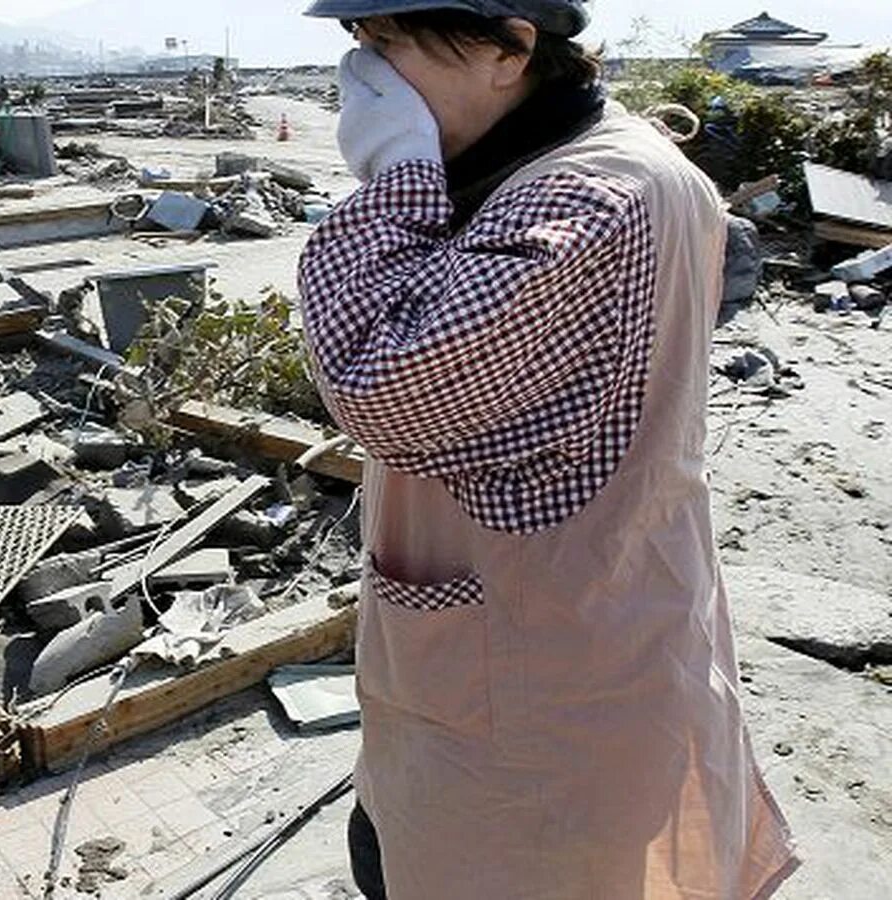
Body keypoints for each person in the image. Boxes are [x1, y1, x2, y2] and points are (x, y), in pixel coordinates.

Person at [295, 2, 800, 897]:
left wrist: (392, 170)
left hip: (538, 674)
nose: (364, 79)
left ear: (511, 47)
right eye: (356, 43)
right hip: (547, 619)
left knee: (513, 864)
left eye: (388, 44)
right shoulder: (574, 156)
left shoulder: (587, 193)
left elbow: (379, 387)